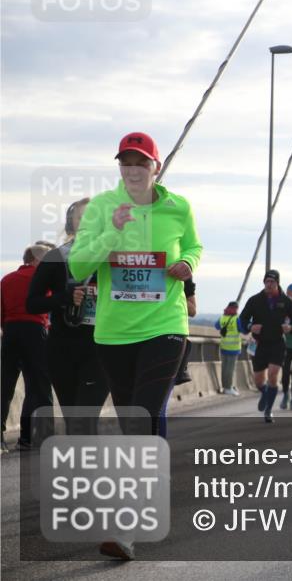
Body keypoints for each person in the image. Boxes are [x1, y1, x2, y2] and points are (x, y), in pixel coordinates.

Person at [68, 132, 202, 560]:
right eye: (126, 162)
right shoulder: (102, 207)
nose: (133, 169)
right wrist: (112, 231)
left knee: (143, 417)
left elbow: (194, 245)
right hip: (115, 333)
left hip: (165, 326)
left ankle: (126, 526)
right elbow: (78, 265)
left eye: (141, 162)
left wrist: (188, 263)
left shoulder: (178, 206)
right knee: (133, 424)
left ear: (155, 167)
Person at [26, 199, 109, 436]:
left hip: (100, 348)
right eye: (82, 217)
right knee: (74, 424)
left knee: (85, 420)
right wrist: (65, 297)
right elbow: (32, 304)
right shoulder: (55, 257)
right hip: (61, 350)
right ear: (71, 222)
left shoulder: (112, 258)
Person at [2, 242, 54, 452]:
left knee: (5, 386)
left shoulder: (6, 279)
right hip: (35, 331)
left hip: (10, 332)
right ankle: (31, 438)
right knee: (39, 387)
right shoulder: (44, 279)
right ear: (36, 260)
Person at [238, 269, 292, 423]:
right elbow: (242, 320)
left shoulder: (285, 301)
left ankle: (269, 410)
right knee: (259, 381)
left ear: (277, 283)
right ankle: (265, 392)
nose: (269, 284)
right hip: (259, 344)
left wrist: (290, 328)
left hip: (277, 343)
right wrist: (250, 327)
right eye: (267, 281)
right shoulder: (255, 300)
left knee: (273, 375)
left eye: (272, 282)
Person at [157, 279, 196, 438]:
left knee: (158, 406)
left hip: (169, 340)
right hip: (130, 338)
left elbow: (192, 310)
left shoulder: (181, 271)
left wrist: (170, 295)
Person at [215, 301, 242, 395]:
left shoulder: (222, 317)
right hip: (233, 348)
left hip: (224, 346)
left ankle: (224, 387)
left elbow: (216, 326)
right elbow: (242, 329)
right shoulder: (237, 319)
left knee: (224, 368)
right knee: (230, 369)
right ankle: (228, 388)